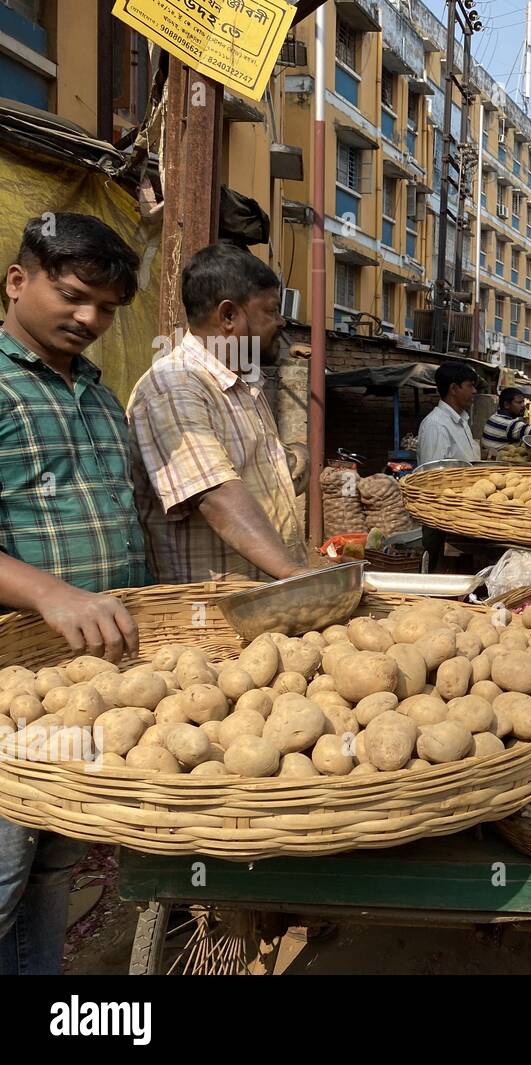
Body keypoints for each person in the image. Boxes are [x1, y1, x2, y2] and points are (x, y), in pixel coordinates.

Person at [0, 213, 151, 975]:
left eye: (108, 308)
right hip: (11, 686)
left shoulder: (95, 390)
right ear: (18, 281)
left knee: (51, 869)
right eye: (73, 295)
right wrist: (49, 592)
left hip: (87, 684)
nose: (90, 318)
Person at [128, 243, 310, 583]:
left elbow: (261, 476)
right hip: (208, 618)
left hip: (260, 603)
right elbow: (216, 496)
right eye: (271, 311)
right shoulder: (176, 386)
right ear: (228, 316)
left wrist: (299, 455)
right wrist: (296, 576)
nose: (282, 321)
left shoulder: (242, 384)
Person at [416, 361, 480, 466]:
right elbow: (433, 475)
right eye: (470, 386)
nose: (474, 391)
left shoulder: (462, 421)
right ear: (453, 389)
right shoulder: (436, 425)